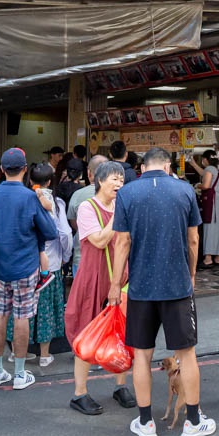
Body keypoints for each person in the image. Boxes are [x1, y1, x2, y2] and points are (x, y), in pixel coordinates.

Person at [107, 147, 216, 436]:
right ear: (168, 166)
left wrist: (116, 284)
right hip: (177, 285)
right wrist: (192, 274)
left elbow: (122, 243)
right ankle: (193, 422)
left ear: (142, 168)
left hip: (141, 287)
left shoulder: (127, 194)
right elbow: (194, 239)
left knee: (142, 355)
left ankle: (146, 423)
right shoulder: (184, 191)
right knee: (187, 353)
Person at [64, 161, 136, 415]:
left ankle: (120, 385)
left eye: (121, 180)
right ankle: (80, 393)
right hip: (93, 278)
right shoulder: (87, 207)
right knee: (86, 333)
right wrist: (119, 214)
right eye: (114, 179)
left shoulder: (120, 206)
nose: (119, 184)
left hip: (120, 277)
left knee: (123, 333)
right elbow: (99, 240)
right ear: (100, 181)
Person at [0, 148, 58, 391]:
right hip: (25, 267)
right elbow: (50, 232)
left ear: (2, 169)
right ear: (25, 169)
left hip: (0, 266)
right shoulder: (30, 197)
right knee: (22, 316)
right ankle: (18, 373)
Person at [7, 164, 73, 367]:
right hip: (50, 265)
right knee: (45, 309)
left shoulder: (22, 199)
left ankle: (18, 352)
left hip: (23, 262)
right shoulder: (56, 203)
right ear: (50, 181)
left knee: (20, 308)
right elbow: (64, 233)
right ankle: (44, 354)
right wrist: (66, 255)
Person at [67, 155, 108, 278]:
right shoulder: (118, 196)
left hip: (82, 256)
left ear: (89, 173)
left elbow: (73, 222)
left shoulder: (78, 195)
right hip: (110, 259)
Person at [187, 149, 219, 266]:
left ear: (205, 159)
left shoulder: (209, 169)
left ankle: (208, 257)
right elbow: (203, 173)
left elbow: (206, 185)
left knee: (210, 228)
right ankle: (218, 257)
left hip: (213, 202)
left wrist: (198, 185)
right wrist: (193, 164)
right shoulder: (216, 170)